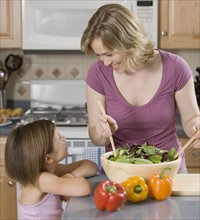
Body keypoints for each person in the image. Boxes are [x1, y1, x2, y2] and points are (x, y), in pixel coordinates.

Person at [81, 3, 200, 173]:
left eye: (109, 54)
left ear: (129, 43)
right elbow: (95, 135)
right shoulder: (98, 73)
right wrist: (102, 132)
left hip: (167, 172)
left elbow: (191, 119)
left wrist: (197, 127)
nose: (105, 62)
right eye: (99, 55)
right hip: (120, 172)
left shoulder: (175, 67)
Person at [5, 119, 98, 220]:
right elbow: (84, 187)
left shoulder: (49, 170)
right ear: (48, 158)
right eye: (59, 137)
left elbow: (91, 166)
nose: (64, 138)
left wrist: (70, 176)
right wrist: (69, 178)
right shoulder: (41, 180)